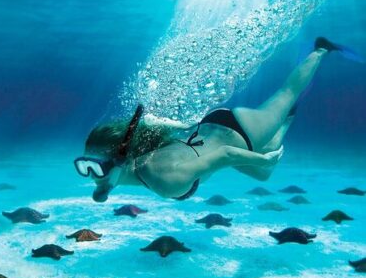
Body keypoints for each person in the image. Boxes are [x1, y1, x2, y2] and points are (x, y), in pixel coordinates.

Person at [74, 37, 349, 202]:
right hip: (208, 127)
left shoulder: (164, 178)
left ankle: (321, 49)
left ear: (121, 159)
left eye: (96, 168)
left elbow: (226, 155)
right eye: (85, 166)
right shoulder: (139, 157)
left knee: (287, 93)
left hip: (239, 133)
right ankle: (284, 123)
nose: (91, 176)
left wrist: (264, 158)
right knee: (263, 175)